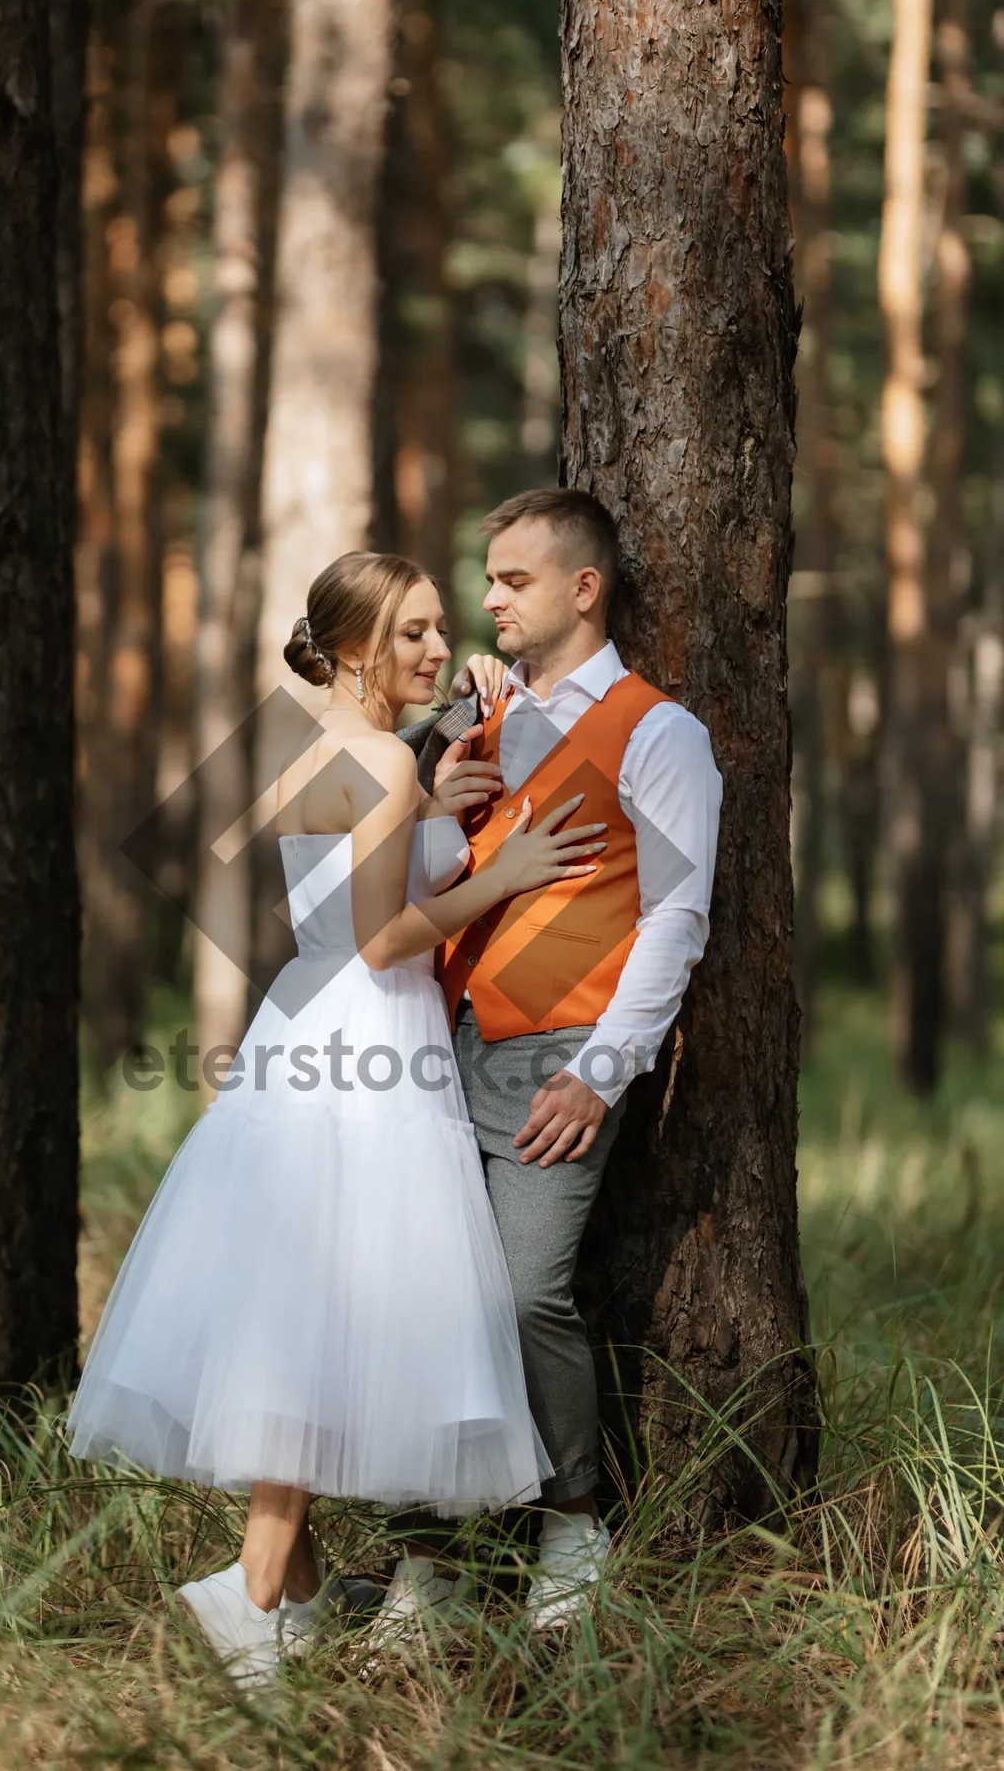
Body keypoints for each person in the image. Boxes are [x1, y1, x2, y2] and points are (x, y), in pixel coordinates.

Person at [65, 549, 609, 1686]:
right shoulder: (379, 762)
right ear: (357, 646)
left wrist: (443, 784)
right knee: (330, 1312)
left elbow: (353, 881)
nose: (431, 646)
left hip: (299, 1033)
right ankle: (255, 1593)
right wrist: (502, 870)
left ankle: (296, 1595)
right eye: (409, 633)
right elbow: (386, 935)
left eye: (437, 626)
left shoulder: (326, 751)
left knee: (295, 1312)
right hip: (371, 1031)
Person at [392, 487, 722, 1633]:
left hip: (564, 1053)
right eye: (487, 580)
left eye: (513, 580)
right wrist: (441, 793)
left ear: (585, 588)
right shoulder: (473, 727)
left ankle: (573, 1523)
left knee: (530, 1289)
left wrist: (604, 1069)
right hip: (442, 1045)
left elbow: (678, 917)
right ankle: (428, 1560)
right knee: (427, 1295)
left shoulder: (659, 729)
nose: (488, 599)